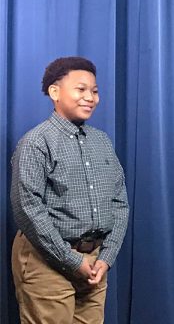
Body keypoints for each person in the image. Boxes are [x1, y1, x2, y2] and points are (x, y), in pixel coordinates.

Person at [10, 56, 130, 324]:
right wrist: (70, 260)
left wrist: (106, 257)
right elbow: (27, 208)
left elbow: (119, 202)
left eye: (95, 91)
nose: (90, 97)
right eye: (81, 89)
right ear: (55, 92)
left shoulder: (101, 141)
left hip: (94, 262)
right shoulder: (36, 143)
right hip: (47, 261)